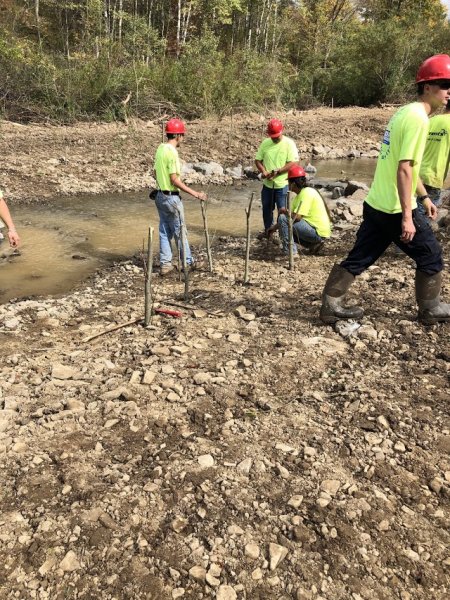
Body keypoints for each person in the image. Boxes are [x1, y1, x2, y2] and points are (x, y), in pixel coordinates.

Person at [320, 54, 450, 326]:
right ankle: (430, 308)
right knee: (431, 255)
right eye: (445, 84)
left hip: (376, 203)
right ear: (427, 86)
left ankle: (331, 304)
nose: (449, 92)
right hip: (393, 207)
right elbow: (404, 168)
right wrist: (406, 215)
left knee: (362, 255)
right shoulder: (419, 119)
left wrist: (424, 195)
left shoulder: (404, 111)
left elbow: (404, 165)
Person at [153, 118, 207, 275]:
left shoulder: (160, 149)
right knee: (180, 231)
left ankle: (165, 264)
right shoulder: (172, 152)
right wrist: (195, 193)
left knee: (164, 230)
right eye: (182, 135)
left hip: (159, 196)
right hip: (171, 197)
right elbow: (174, 180)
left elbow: (156, 172)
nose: (183, 138)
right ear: (177, 136)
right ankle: (187, 262)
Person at [254, 118, 299, 239]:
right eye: (272, 136)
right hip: (267, 185)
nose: (274, 138)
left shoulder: (289, 143)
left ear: (282, 132)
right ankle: (269, 231)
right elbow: (257, 160)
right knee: (267, 210)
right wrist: (263, 171)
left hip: (282, 185)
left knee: (282, 212)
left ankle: (283, 236)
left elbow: (293, 162)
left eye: (276, 136)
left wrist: (278, 171)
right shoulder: (265, 143)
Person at [276, 165, 332, 256]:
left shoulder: (306, 193)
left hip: (317, 233)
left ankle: (291, 253)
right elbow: (287, 221)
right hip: (317, 232)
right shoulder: (300, 195)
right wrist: (273, 228)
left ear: (293, 183)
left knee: (283, 218)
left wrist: (284, 210)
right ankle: (314, 245)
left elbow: (296, 217)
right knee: (284, 226)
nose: (288, 185)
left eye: (289, 183)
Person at [417, 98, 450, 214]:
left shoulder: (431, 120)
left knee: (411, 213)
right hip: (433, 179)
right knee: (422, 219)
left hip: (416, 175)